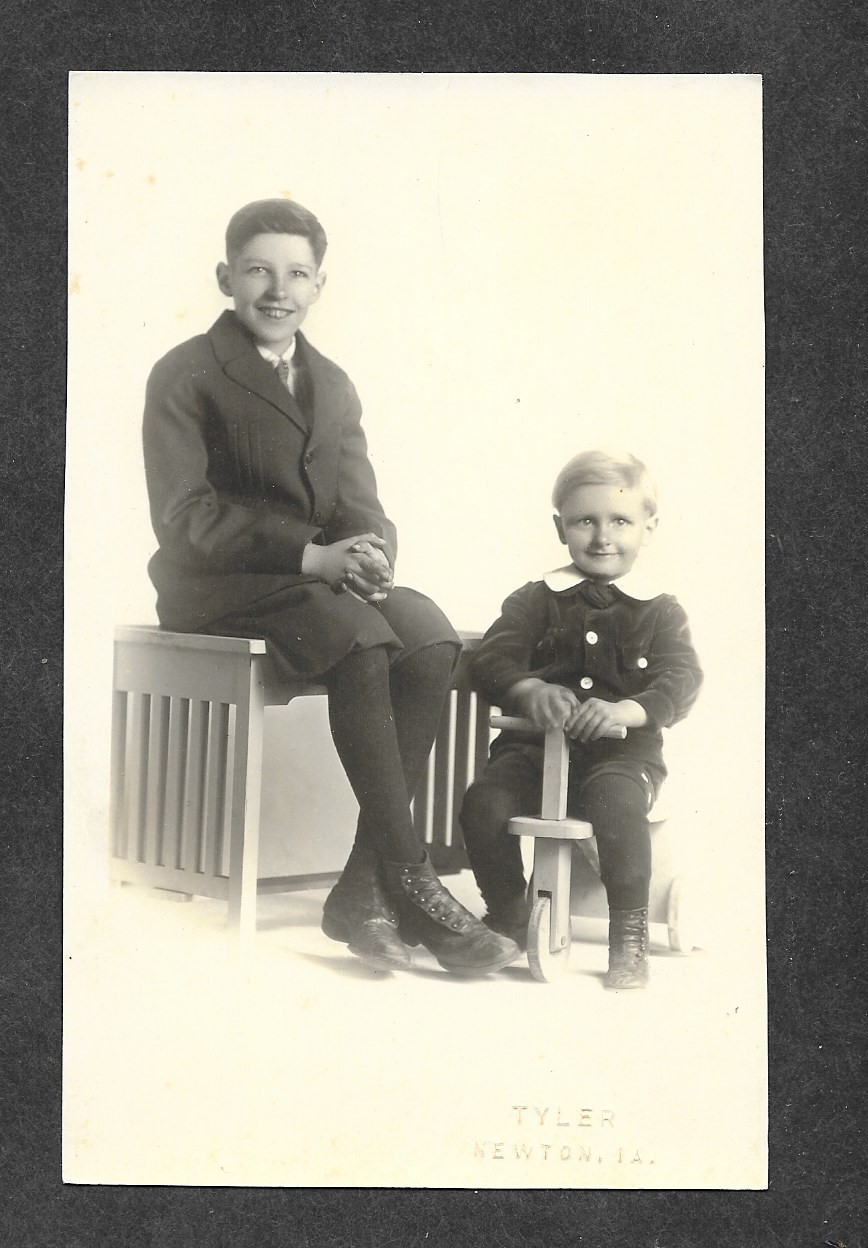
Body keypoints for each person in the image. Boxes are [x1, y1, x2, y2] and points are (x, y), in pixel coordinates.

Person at [142, 198, 519, 978]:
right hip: (218, 587)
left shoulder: (334, 384)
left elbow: (359, 500)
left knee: (428, 632)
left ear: (320, 285)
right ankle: (410, 877)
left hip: (315, 588)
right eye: (258, 270)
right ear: (225, 278)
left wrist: (371, 553)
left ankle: (358, 889)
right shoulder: (186, 372)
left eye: (296, 274)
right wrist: (312, 558)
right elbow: (183, 518)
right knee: (358, 635)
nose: (277, 290)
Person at [459, 449, 703, 988]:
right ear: (560, 527)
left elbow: (681, 678)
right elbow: (491, 659)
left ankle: (629, 938)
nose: (602, 537)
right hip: (531, 753)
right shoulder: (534, 600)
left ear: (648, 527)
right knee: (482, 804)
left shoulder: (660, 609)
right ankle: (508, 911)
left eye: (620, 521)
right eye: (585, 521)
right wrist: (528, 688)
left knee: (617, 805)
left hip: (621, 756)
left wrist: (627, 710)